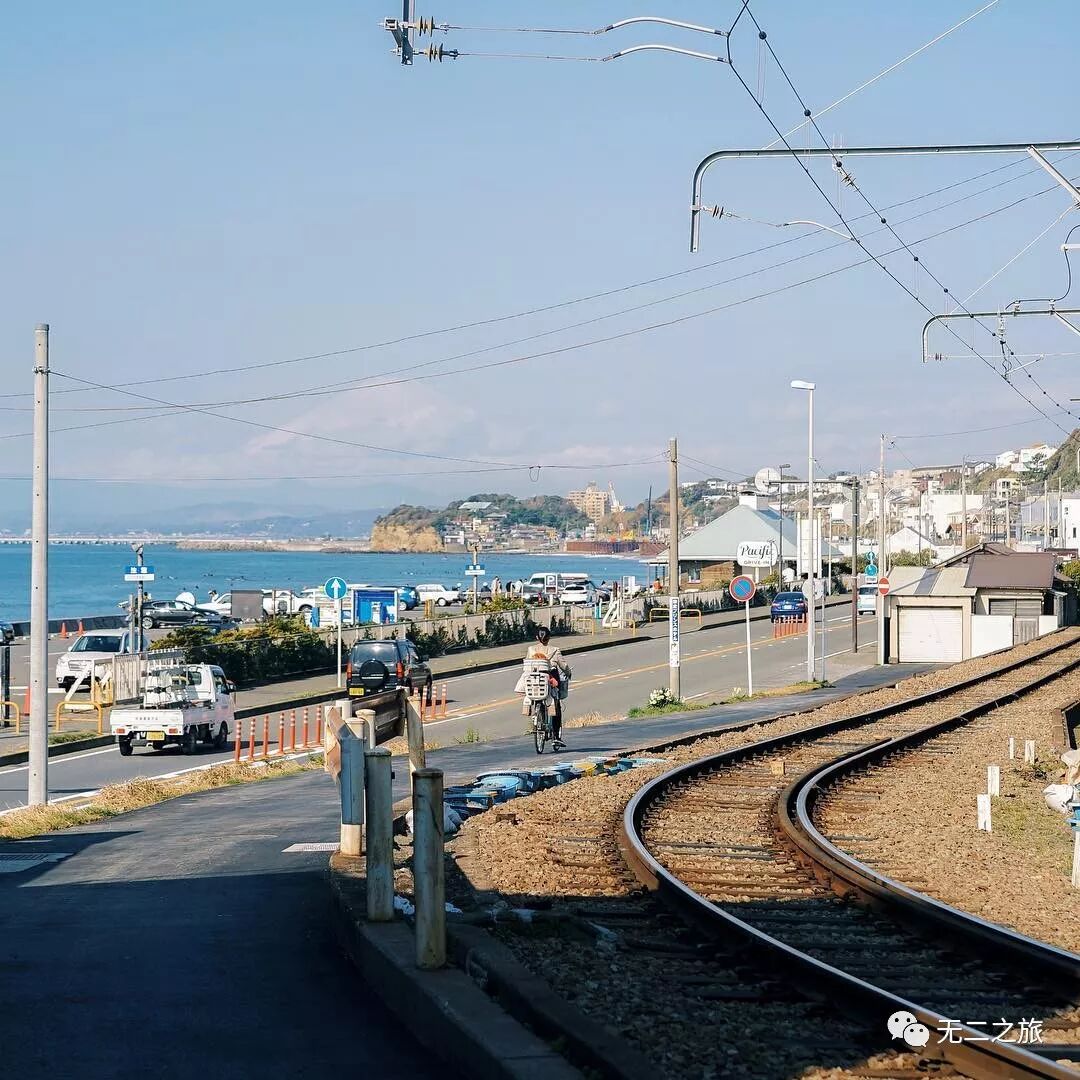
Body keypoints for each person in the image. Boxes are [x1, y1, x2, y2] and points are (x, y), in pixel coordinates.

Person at [522, 626, 571, 748]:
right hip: (550, 680)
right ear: (549, 637)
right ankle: (556, 736)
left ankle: (538, 719)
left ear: (537, 638)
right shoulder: (555, 650)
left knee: (537, 699)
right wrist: (568, 673)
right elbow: (564, 666)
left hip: (534, 681)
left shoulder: (531, 649)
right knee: (556, 705)